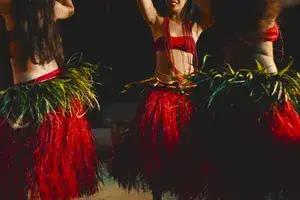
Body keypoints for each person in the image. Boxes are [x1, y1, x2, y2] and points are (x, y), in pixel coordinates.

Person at [187, 0, 300, 199]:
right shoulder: (263, 7)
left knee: (259, 168)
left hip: (261, 94)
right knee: (235, 171)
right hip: (237, 94)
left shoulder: (263, 7)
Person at [109, 0, 211, 199]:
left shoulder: (195, 27)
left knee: (186, 154)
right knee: (156, 153)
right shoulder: (157, 22)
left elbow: (213, 10)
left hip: (186, 98)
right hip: (160, 97)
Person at [0, 0, 102, 199]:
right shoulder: (12, 7)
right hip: (24, 97)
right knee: (24, 168)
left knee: (48, 168)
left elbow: (70, 9)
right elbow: (69, 9)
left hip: (51, 97)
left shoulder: (43, 7)